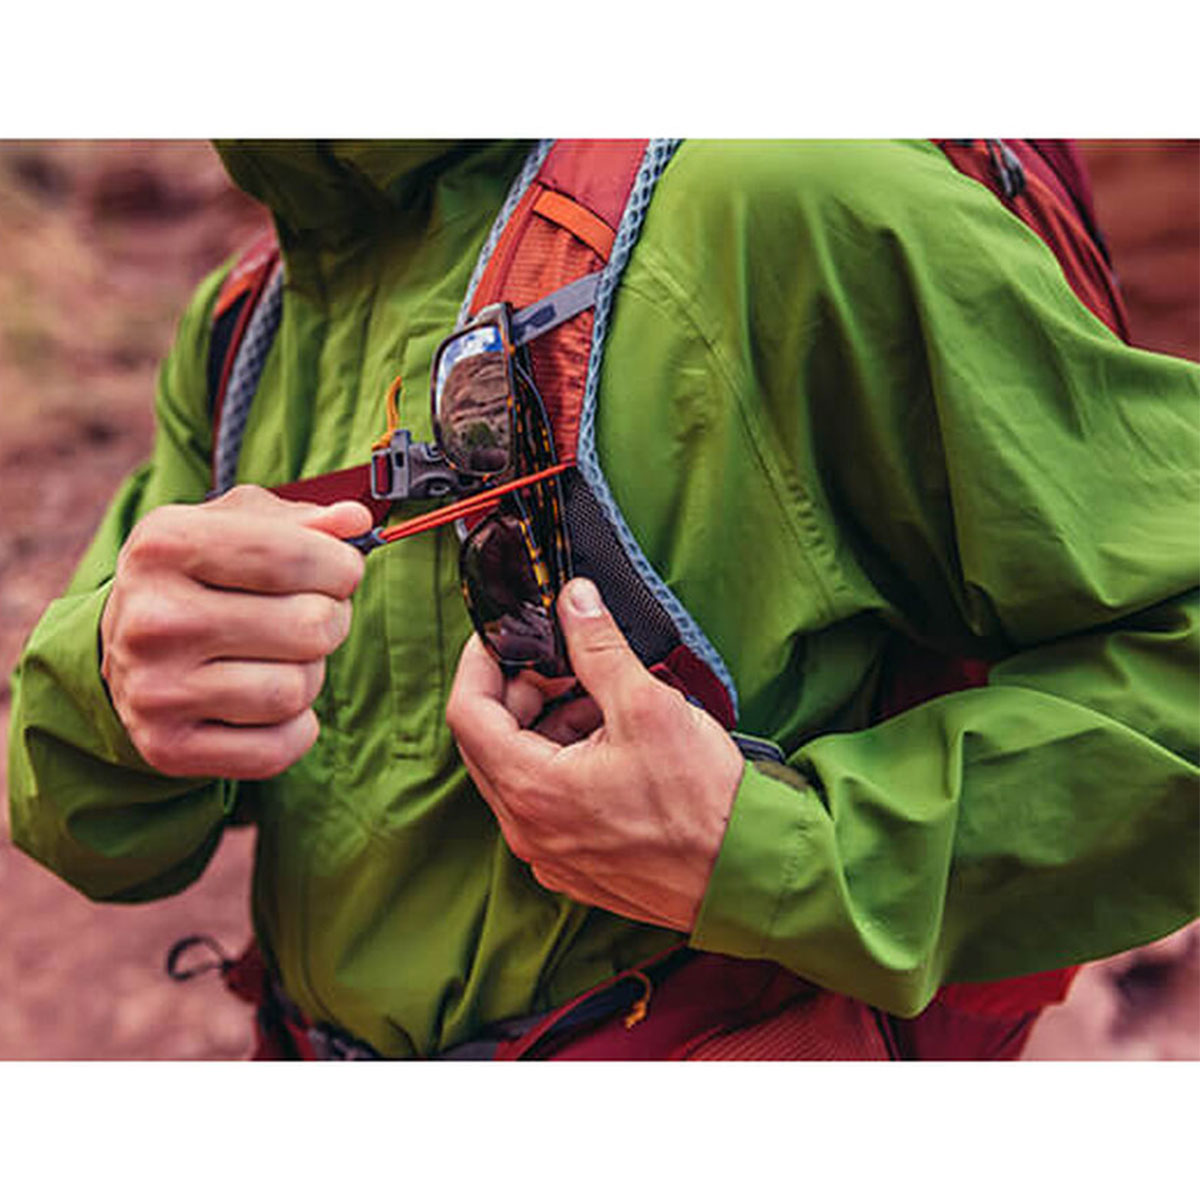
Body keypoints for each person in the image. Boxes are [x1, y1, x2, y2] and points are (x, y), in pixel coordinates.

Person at [7, 139, 1198, 1060]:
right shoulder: (245, 322)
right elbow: (77, 820)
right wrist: (115, 686)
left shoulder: (788, 199)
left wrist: (767, 853)